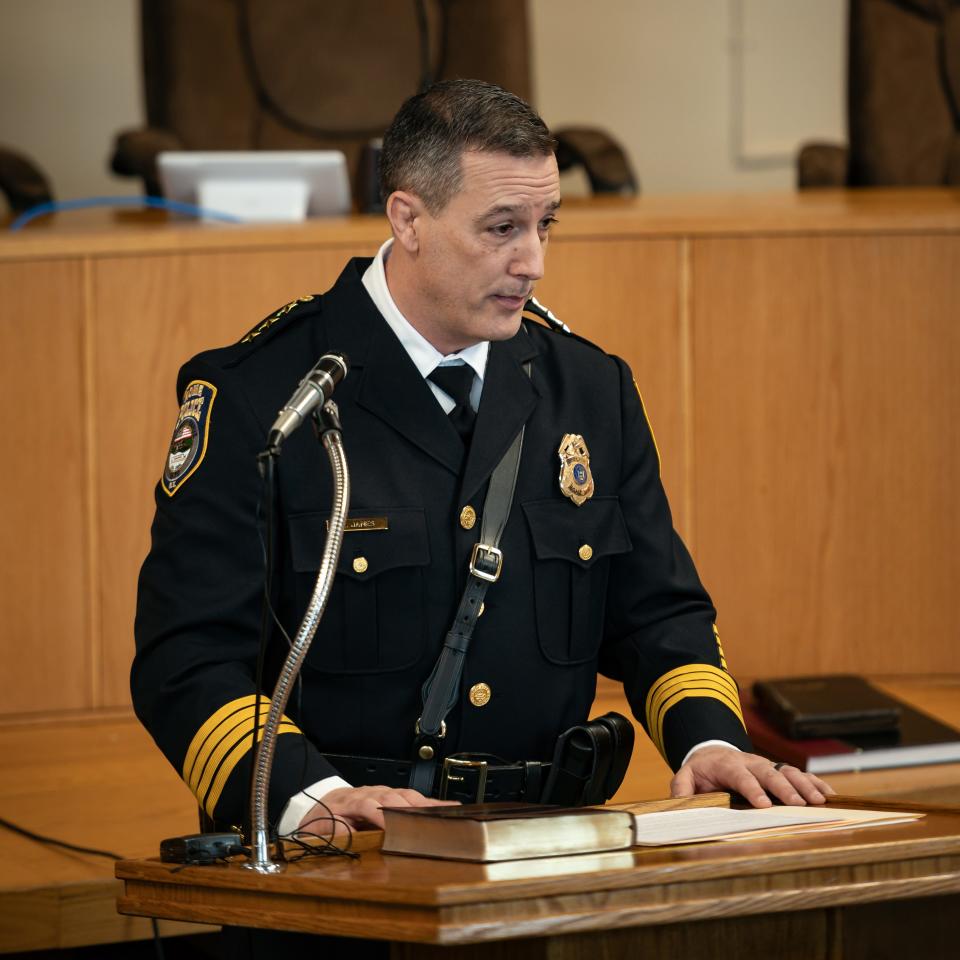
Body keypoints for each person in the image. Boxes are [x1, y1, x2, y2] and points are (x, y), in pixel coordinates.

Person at [133, 80, 832, 857]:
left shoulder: (591, 390)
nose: (532, 262)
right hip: (345, 855)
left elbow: (658, 616)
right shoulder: (261, 396)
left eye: (545, 225)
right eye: (502, 228)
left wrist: (709, 745)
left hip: (551, 850)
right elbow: (186, 655)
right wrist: (311, 796)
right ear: (409, 219)